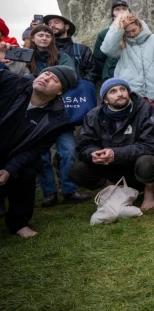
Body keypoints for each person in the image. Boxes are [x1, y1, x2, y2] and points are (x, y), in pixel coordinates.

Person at [3, 26, 90, 206]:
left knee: (67, 150)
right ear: (32, 38)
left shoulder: (61, 55)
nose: (44, 38)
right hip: (32, 107)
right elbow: (12, 75)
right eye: (39, 34)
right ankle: (49, 192)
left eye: (47, 35)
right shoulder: (23, 55)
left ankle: (69, 190)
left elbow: (69, 76)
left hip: (60, 112)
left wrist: (51, 79)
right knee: (40, 155)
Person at [0, 62, 78, 237]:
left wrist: (8, 170)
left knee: (28, 168)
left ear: (60, 92)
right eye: (46, 74)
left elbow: (34, 149)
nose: (46, 78)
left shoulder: (57, 119)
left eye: (54, 79)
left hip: (11, 156)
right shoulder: (11, 81)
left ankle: (19, 223)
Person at [70, 79, 154, 211]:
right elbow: (84, 145)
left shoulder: (145, 110)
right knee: (77, 170)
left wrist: (115, 153)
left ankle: (149, 192)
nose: (120, 94)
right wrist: (94, 154)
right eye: (113, 91)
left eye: (123, 89)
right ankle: (116, 190)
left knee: (148, 161)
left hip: (139, 168)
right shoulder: (93, 116)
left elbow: (151, 145)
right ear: (105, 99)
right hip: (110, 169)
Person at [100, 11, 154, 112]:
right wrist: (118, 28)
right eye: (127, 32)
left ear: (140, 25)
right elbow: (106, 49)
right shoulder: (122, 43)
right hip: (129, 92)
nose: (131, 34)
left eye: (134, 30)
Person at [44, 15, 96, 82]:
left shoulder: (82, 49)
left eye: (56, 22)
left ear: (66, 27)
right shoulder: (45, 49)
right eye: (49, 24)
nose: (52, 25)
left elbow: (92, 72)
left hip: (77, 89)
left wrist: (81, 85)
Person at [94, 0, 129, 82]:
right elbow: (98, 58)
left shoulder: (136, 31)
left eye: (124, 9)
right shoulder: (104, 34)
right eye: (117, 9)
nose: (121, 11)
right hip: (112, 74)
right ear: (113, 15)